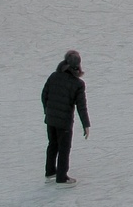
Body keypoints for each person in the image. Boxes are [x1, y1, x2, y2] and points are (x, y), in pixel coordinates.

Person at [41, 49, 90, 186]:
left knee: (52, 144)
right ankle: (62, 177)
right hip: (64, 122)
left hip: (51, 119)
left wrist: (48, 111)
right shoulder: (78, 84)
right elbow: (81, 106)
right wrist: (86, 124)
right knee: (64, 148)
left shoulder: (54, 76)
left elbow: (44, 95)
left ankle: (50, 171)